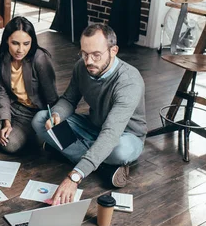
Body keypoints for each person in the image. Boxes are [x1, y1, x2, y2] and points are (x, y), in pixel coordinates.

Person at [31, 23, 146, 205]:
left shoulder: (129, 81)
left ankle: (78, 155)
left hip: (124, 136)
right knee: (41, 119)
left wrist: (75, 176)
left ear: (114, 50)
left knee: (119, 150)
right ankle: (102, 168)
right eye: (84, 53)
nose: (89, 61)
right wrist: (57, 115)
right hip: (92, 126)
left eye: (96, 55)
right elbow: (69, 100)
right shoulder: (81, 67)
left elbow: (110, 133)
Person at [0, 16, 58, 153]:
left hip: (31, 113)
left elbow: (52, 98)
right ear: (7, 40)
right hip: (10, 105)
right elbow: (2, 91)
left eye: (26, 43)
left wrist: (51, 124)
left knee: (10, 144)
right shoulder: (0, 54)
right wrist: (6, 121)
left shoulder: (40, 59)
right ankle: (3, 125)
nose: (20, 50)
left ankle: (22, 133)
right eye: (15, 43)